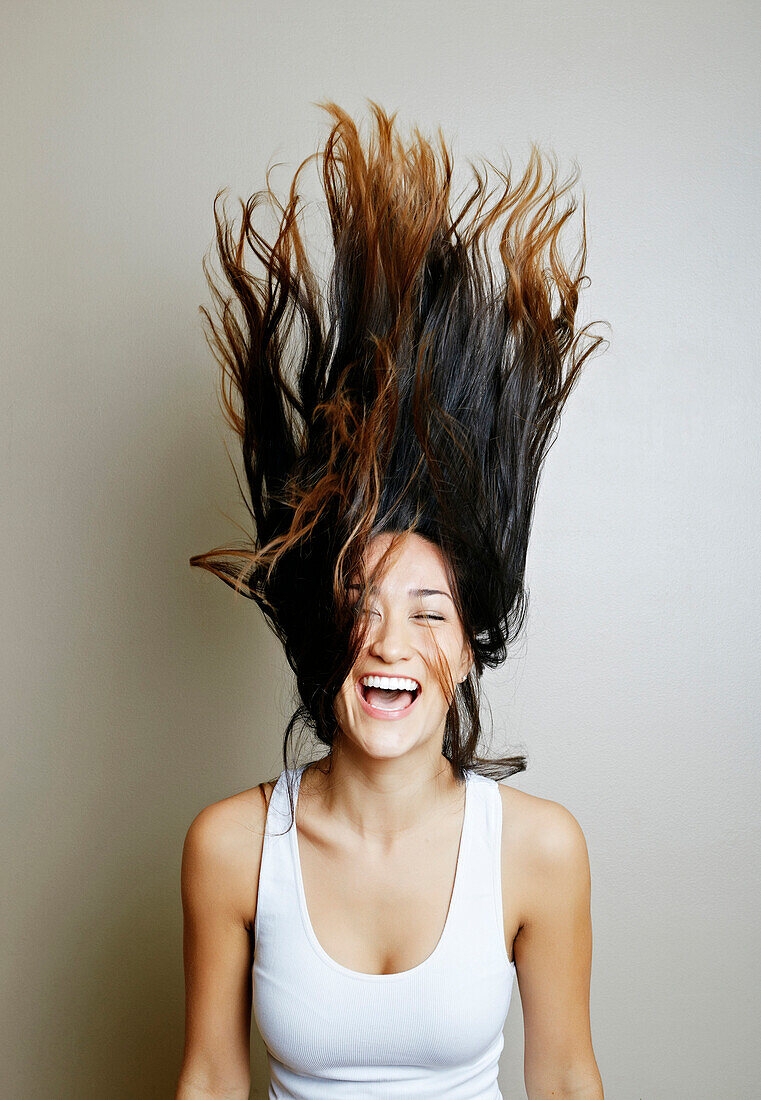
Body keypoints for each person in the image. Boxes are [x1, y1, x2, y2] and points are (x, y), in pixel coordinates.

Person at [176, 100, 608, 1099]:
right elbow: (205, 1075)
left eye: (428, 613)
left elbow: (567, 1077)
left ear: (466, 649)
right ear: (320, 628)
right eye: (361, 604)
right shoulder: (231, 847)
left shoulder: (539, 849)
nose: (390, 641)